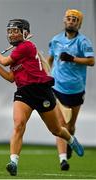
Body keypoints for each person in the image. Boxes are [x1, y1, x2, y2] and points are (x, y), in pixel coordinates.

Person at [0, 18, 84, 176]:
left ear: (24, 32)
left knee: (56, 130)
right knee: (19, 125)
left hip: (41, 91)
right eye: (9, 31)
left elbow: (5, 61)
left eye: (15, 30)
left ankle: (71, 140)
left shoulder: (26, 46)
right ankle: (13, 162)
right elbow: (10, 77)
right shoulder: (16, 53)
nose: (11, 34)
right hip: (23, 93)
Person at [47, 9, 95, 171]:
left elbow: (91, 61)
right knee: (61, 124)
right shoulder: (55, 40)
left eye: (75, 19)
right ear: (64, 20)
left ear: (79, 23)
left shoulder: (83, 42)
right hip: (57, 88)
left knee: (71, 126)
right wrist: (45, 75)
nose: (71, 21)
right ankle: (63, 160)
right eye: (69, 18)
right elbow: (50, 59)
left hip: (75, 89)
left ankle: (70, 140)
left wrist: (72, 58)